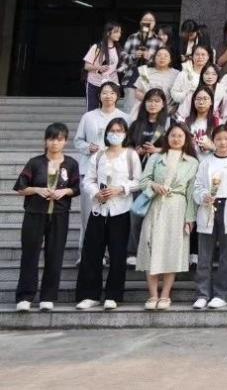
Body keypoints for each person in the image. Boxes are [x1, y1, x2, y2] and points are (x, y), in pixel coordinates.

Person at [12, 123, 80, 311]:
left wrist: (65, 191)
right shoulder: (35, 162)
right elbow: (20, 187)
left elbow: (77, 188)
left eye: (59, 139)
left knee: (55, 255)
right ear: (45, 140)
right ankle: (25, 297)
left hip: (59, 215)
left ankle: (47, 297)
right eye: (51, 139)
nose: (55, 143)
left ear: (65, 141)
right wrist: (37, 189)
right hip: (35, 214)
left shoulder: (71, 164)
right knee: (30, 254)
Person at [74, 117, 140, 310]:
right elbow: (88, 180)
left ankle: (113, 295)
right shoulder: (99, 155)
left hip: (121, 209)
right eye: (112, 130)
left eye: (119, 130)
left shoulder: (131, 155)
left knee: (118, 254)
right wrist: (96, 193)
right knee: (91, 252)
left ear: (126, 134)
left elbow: (138, 181)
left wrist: (120, 189)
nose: (115, 134)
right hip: (98, 209)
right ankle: (89, 294)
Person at [136, 123, 199, 311]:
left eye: (180, 136)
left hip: (178, 208)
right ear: (167, 137)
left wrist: (190, 218)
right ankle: (153, 294)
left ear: (186, 139)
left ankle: (165, 294)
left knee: (173, 250)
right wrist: (154, 186)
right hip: (155, 205)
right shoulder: (156, 157)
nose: (176, 139)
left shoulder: (192, 162)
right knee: (151, 247)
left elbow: (191, 193)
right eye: (173, 135)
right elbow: (143, 181)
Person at [191, 125, 227, 309]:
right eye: (218, 139)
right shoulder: (206, 161)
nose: (223, 142)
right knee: (204, 255)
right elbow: (197, 186)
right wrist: (203, 196)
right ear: (213, 141)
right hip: (208, 207)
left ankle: (222, 294)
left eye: (226, 139)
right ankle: (203, 293)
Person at [82, 21, 122, 111]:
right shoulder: (97, 47)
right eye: (116, 32)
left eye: (120, 32)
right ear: (108, 33)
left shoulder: (118, 48)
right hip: (95, 83)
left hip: (111, 85)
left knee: (109, 111)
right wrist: (99, 68)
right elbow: (86, 66)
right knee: (92, 111)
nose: (119, 34)